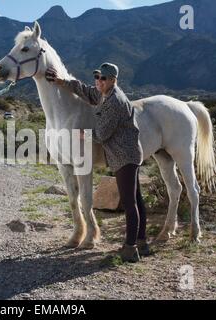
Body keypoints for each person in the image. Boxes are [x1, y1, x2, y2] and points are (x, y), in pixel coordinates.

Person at [46, 63, 150, 263]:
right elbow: (84, 91)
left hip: (125, 156)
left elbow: (102, 134)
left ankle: (130, 248)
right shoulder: (104, 94)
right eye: (97, 77)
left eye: (103, 78)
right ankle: (141, 241)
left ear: (113, 80)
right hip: (124, 155)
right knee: (135, 199)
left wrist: (83, 133)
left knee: (130, 202)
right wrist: (61, 81)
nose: (98, 81)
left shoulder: (115, 101)